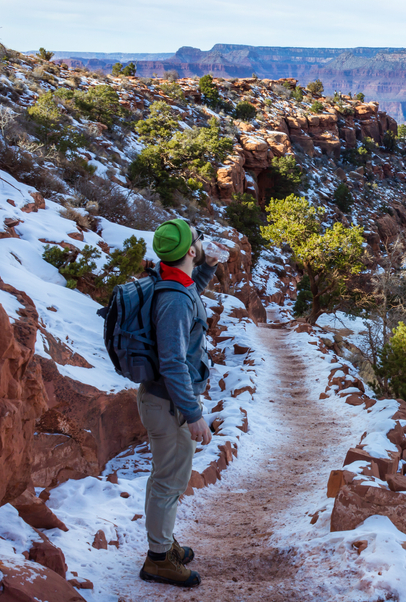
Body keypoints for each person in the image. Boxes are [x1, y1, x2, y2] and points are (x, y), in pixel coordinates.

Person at [138, 219, 218, 587]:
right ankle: (158, 559)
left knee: (168, 475)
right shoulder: (172, 298)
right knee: (169, 481)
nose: (201, 243)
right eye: (198, 241)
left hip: (164, 400)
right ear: (189, 251)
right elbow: (172, 362)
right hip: (168, 403)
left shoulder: (173, 281)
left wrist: (209, 268)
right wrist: (193, 414)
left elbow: (190, 299)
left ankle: (164, 543)